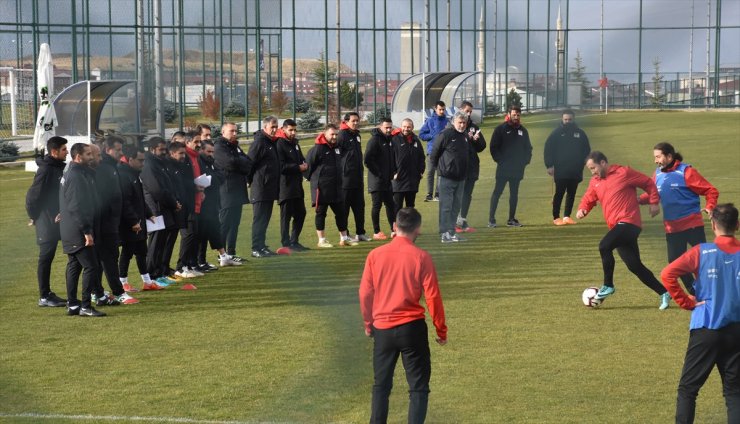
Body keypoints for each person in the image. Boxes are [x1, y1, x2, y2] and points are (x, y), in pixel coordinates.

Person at [359, 207, 447, 423]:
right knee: (418, 387)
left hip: (383, 329)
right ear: (418, 228)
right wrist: (440, 329)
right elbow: (433, 296)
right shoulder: (422, 257)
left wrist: (368, 323)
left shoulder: (375, 255)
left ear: (395, 227)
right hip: (412, 328)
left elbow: (365, 292)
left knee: (381, 385)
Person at [660, 203, 740, 424]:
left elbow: (667, 274)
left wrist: (686, 302)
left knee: (688, 389)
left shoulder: (701, 252)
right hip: (736, 331)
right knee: (734, 394)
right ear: (738, 225)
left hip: (706, 328)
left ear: (712, 224)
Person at [576, 151, 672, 309]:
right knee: (634, 265)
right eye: (590, 169)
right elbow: (589, 197)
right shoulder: (595, 182)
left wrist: (654, 202)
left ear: (603, 163)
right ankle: (664, 293)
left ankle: (608, 285)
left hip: (629, 223)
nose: (592, 172)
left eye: (593, 168)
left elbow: (648, 183)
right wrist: (583, 208)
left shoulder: (624, 172)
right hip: (618, 228)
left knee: (604, 246)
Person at [641, 142, 718, 295]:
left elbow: (710, 190)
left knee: (702, 261)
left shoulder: (686, 172)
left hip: (692, 224)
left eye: (658, 157)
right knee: (675, 263)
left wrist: (710, 206)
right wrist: (634, 199)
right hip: (672, 227)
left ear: (669, 156)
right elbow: (652, 194)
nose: (655, 161)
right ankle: (694, 290)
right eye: (654, 157)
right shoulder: (657, 174)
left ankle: (713, 291)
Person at [59, 143, 105, 317]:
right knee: (91, 266)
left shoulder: (71, 173)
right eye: (87, 154)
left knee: (74, 266)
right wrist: (86, 232)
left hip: (70, 228)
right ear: (78, 157)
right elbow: (76, 206)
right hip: (78, 230)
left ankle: (72, 305)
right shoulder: (76, 176)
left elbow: (66, 200)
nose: (91, 157)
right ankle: (85, 306)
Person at [92, 135, 138, 305]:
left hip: (111, 221)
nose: (121, 153)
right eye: (117, 150)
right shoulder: (103, 169)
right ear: (107, 150)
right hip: (105, 222)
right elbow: (106, 197)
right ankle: (117, 292)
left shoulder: (112, 167)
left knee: (104, 257)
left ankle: (96, 291)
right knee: (108, 257)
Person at [26, 136, 68, 307]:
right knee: (46, 257)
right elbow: (32, 196)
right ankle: (44, 296)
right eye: (64, 149)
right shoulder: (46, 169)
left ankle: (48, 293)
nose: (67, 152)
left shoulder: (56, 167)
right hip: (46, 221)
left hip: (56, 219)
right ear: (54, 151)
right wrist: (34, 216)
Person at [305, 124, 358, 248]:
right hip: (321, 189)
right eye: (332, 134)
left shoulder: (337, 148)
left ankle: (344, 238)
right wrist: (313, 181)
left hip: (336, 188)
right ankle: (321, 240)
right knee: (321, 214)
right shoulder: (317, 149)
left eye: (336, 134)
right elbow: (308, 167)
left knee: (341, 213)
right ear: (325, 134)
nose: (334, 137)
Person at [117, 144, 161, 292]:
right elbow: (125, 201)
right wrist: (133, 221)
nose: (143, 163)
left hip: (140, 220)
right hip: (130, 223)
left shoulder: (134, 174)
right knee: (127, 252)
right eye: (140, 160)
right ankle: (123, 282)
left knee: (142, 251)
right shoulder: (124, 175)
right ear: (130, 160)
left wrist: (148, 213)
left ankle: (147, 281)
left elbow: (139, 198)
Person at [141, 137, 182, 287]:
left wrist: (173, 202)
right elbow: (156, 189)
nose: (164, 152)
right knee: (155, 243)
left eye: (165, 149)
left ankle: (160, 272)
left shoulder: (160, 163)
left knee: (162, 242)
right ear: (152, 149)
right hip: (155, 208)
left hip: (164, 207)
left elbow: (167, 186)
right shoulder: (150, 165)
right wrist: (172, 203)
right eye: (161, 149)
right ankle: (151, 275)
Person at [197, 140, 241, 267]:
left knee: (211, 230)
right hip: (204, 203)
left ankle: (208, 259)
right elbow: (211, 179)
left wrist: (212, 179)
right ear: (201, 150)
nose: (211, 154)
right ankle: (199, 261)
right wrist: (213, 179)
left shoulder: (212, 162)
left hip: (213, 202)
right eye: (208, 151)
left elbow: (221, 177)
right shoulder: (199, 163)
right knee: (203, 233)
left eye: (212, 152)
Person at [543, 109, 591, 226]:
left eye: (570, 119)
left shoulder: (580, 133)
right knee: (559, 193)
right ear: (562, 119)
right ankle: (556, 217)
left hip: (575, 169)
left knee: (571, 193)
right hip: (560, 169)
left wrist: (584, 161)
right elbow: (548, 149)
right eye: (565, 119)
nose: (568, 121)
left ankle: (567, 216)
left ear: (573, 119)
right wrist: (549, 165)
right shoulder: (556, 133)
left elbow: (587, 149)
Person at [488, 105, 532, 228]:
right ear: (509, 114)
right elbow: (493, 147)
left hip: (517, 169)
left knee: (514, 194)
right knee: (497, 192)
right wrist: (501, 161)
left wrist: (525, 162)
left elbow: (528, 148)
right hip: (503, 168)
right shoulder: (500, 129)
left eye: (518, 115)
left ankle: (511, 219)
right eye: (514, 115)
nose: (516, 117)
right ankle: (491, 219)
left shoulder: (523, 131)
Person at [214, 122, 252, 262]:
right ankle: (222, 254)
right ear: (223, 132)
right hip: (226, 190)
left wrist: (238, 162)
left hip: (238, 190)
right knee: (225, 222)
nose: (235, 133)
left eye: (236, 131)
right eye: (231, 131)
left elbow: (248, 162)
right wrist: (239, 162)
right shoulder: (219, 146)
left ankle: (231, 252)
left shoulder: (235, 146)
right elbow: (230, 163)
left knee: (235, 223)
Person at [430, 111, 470, 243]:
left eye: (464, 123)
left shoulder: (464, 136)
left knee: (455, 207)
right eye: (460, 122)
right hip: (446, 177)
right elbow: (434, 153)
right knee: (446, 207)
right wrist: (440, 169)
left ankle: (452, 232)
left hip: (461, 178)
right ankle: (444, 233)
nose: (462, 125)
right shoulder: (446, 134)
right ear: (453, 122)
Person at [247, 116, 281, 257]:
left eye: (276, 127)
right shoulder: (260, 142)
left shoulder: (271, 142)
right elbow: (249, 163)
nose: (274, 129)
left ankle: (262, 246)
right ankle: (255, 248)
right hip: (260, 187)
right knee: (259, 218)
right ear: (265, 127)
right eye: (272, 127)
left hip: (269, 187)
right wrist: (250, 181)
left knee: (265, 218)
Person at [275, 118, 309, 251]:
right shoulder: (279, 144)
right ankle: (285, 243)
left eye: (295, 130)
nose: (293, 132)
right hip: (285, 186)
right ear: (283, 129)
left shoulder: (295, 143)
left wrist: (305, 165)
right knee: (286, 217)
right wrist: (298, 167)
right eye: (290, 130)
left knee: (301, 213)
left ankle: (294, 241)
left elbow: (301, 159)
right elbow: (281, 166)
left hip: (297, 185)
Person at [337, 112, 369, 241]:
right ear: (346, 121)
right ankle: (345, 234)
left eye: (357, 120)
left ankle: (360, 233)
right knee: (344, 208)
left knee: (359, 207)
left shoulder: (357, 135)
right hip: (345, 179)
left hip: (357, 177)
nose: (356, 123)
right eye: (353, 121)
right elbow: (337, 155)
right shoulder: (342, 135)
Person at [456, 101, 486, 233]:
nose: (468, 114)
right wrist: (466, 139)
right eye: (467, 111)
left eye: (470, 111)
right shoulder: (454, 126)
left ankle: (463, 220)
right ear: (461, 110)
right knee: (457, 194)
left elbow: (482, 146)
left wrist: (476, 140)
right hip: (458, 168)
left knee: (467, 194)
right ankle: (454, 223)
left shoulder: (474, 127)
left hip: (472, 166)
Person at [364, 117, 396, 240]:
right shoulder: (374, 140)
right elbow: (367, 160)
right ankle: (376, 232)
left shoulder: (389, 140)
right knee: (377, 205)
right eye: (386, 127)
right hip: (376, 180)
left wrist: (393, 171)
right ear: (380, 127)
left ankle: (393, 230)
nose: (388, 130)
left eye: (390, 127)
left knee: (390, 205)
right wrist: (379, 173)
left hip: (387, 180)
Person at [390, 118, 425, 216]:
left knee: (410, 206)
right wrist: (393, 173)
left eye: (408, 127)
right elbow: (390, 158)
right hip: (399, 180)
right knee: (397, 206)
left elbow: (421, 157)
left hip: (412, 180)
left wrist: (421, 171)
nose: (406, 129)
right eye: (404, 126)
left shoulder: (416, 140)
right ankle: (397, 228)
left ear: (412, 128)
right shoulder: (395, 139)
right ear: (401, 127)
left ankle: (410, 227)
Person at [419, 101, 449, 202]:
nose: (442, 111)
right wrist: (432, 136)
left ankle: (438, 194)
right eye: (440, 109)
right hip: (431, 151)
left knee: (440, 173)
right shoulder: (430, 121)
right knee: (430, 172)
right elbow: (421, 134)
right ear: (435, 109)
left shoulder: (448, 121)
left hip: (443, 152)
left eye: (443, 109)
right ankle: (429, 194)